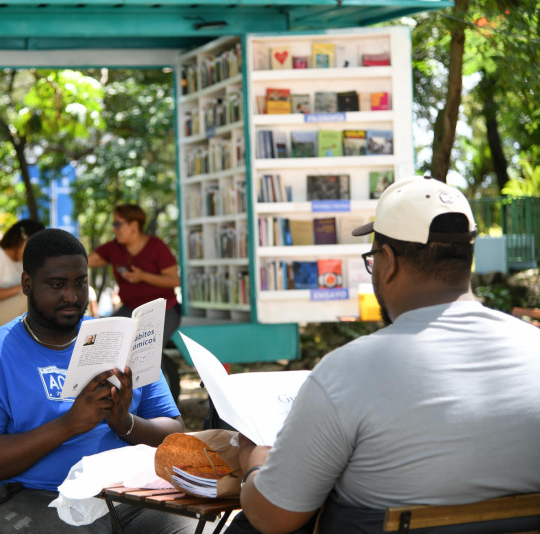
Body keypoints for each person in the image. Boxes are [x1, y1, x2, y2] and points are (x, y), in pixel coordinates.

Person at [229, 176, 540, 534]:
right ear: (467, 257)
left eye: (372, 257)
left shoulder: (348, 372)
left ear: (387, 261)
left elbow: (272, 518)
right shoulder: (534, 347)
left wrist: (254, 463)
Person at [0, 228, 207, 533]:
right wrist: (69, 424)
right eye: (56, 285)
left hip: (127, 492)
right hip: (35, 498)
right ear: (27, 283)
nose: (71, 296)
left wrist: (124, 422)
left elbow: (174, 431)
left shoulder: (118, 340)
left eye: (80, 283)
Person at [87, 204, 181, 348]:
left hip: (163, 310)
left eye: (117, 224)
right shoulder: (114, 247)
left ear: (134, 226)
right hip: (130, 309)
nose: (114, 228)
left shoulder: (157, 246)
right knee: (102, 341)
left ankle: (162, 370)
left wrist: (143, 276)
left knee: (145, 350)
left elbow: (174, 280)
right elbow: (85, 261)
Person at [0, 219, 45, 335]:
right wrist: (21, 288)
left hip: (5, 312)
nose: (33, 252)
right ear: (22, 239)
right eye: (32, 245)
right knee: (31, 298)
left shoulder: (22, 262)